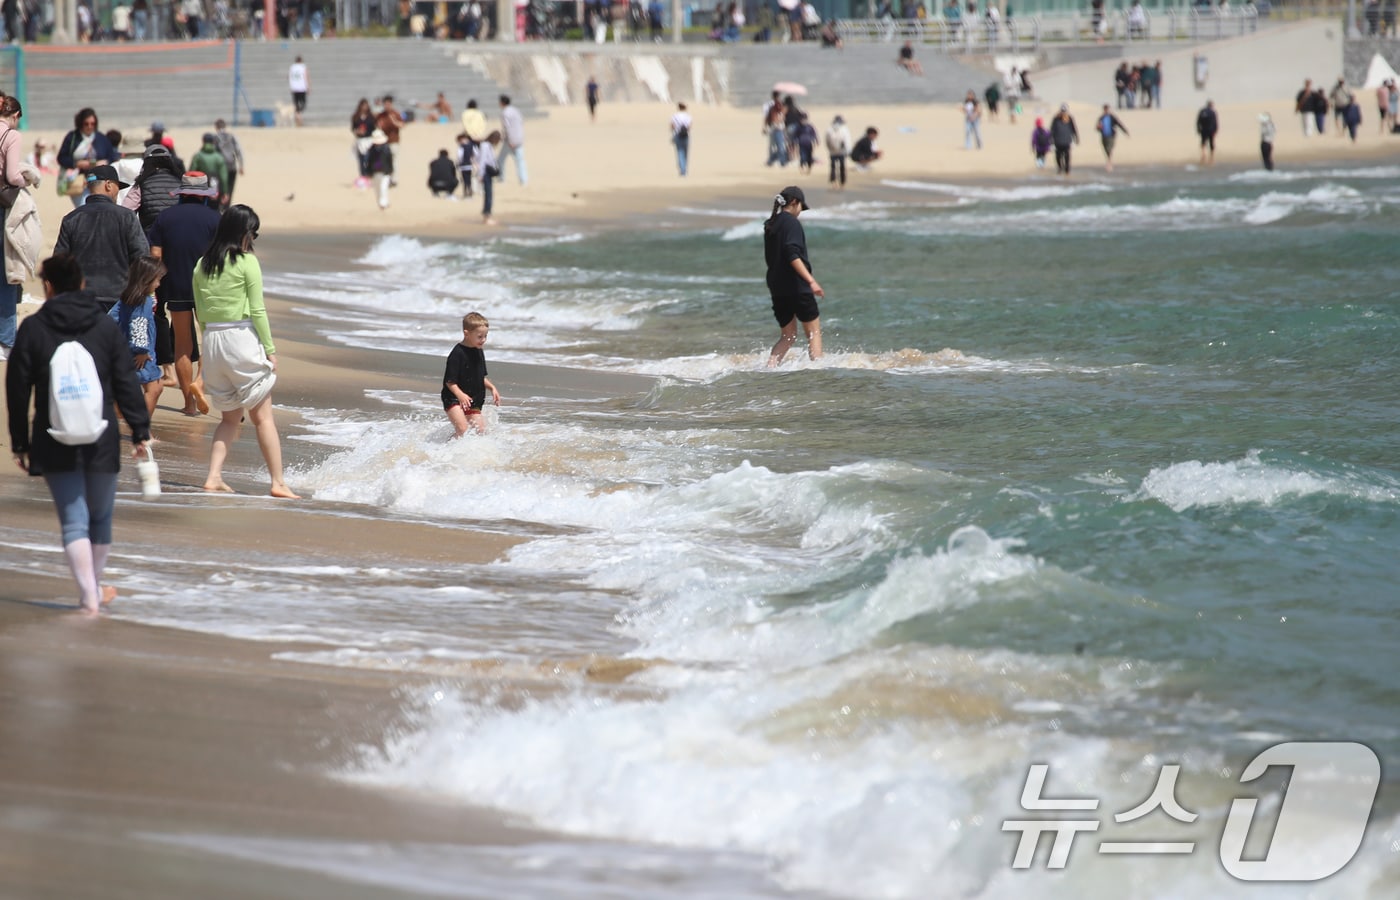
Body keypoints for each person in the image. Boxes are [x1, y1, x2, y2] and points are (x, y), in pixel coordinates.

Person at [6, 253, 153, 615]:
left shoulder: (34, 329)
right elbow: (124, 382)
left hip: (52, 436)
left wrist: (20, 443)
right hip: (100, 436)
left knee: (74, 521)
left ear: (49, 286)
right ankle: (94, 589)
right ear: (83, 284)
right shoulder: (103, 328)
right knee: (100, 518)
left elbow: (17, 389)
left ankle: (89, 595)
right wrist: (140, 431)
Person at [191, 205, 298, 498]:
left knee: (228, 418)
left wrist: (208, 347)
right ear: (243, 233)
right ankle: (278, 482)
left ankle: (213, 476)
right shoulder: (246, 262)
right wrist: (270, 349)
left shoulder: (202, 264)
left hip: (212, 339)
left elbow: (199, 312)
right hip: (240, 337)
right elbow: (258, 310)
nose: (253, 239)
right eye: (253, 233)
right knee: (263, 417)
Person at [149, 171, 221, 416]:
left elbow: (155, 256)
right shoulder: (215, 219)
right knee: (209, 339)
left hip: (176, 285)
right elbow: (221, 256)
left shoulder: (165, 218)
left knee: (182, 345)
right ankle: (199, 381)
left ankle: (189, 404)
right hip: (208, 287)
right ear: (204, 195)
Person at [53, 165, 148, 312]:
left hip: (81, 300)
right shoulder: (126, 216)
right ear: (108, 185)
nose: (118, 192)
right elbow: (141, 257)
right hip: (119, 299)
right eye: (118, 186)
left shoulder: (71, 219)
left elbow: (58, 263)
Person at [1, 94, 41, 364]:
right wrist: (29, 177)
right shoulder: (11, 136)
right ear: (15, 115)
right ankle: (6, 340)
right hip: (2, 207)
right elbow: (13, 175)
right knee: (7, 270)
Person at [764, 186, 822, 367]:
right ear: (794, 202)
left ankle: (769, 369)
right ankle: (818, 372)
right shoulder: (791, 223)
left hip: (777, 287)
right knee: (813, 333)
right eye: (801, 208)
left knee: (788, 336)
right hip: (797, 286)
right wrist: (811, 281)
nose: (800, 213)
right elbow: (792, 254)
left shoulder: (771, 224)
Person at [109, 255, 165, 416]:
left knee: (151, 387)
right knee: (153, 389)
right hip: (140, 355)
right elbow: (139, 324)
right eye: (157, 280)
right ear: (146, 280)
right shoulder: (143, 300)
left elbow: (111, 317)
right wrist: (141, 350)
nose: (159, 284)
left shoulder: (126, 297)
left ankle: (111, 419)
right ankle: (142, 431)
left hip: (125, 351)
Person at [441, 311, 501, 437]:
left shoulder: (479, 351)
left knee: (479, 431)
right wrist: (461, 395)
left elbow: (480, 377)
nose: (483, 340)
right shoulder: (457, 354)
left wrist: (492, 387)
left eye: (486, 336)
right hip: (454, 398)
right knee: (463, 429)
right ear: (466, 333)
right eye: (480, 336)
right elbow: (450, 382)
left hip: (473, 398)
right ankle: (444, 451)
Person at [57, 108, 118, 209]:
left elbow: (112, 156)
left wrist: (104, 162)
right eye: (86, 124)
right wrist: (76, 164)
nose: (90, 127)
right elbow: (61, 158)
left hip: (98, 182)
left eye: (92, 124)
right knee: (84, 208)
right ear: (80, 123)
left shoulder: (101, 138)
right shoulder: (72, 137)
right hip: (79, 182)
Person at [188, 133, 230, 202]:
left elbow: (191, 173)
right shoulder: (219, 157)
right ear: (213, 142)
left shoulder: (198, 156)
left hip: (200, 189)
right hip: (215, 189)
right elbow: (224, 177)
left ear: (203, 141)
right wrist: (225, 192)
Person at [212, 119, 244, 204]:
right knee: (230, 188)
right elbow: (238, 150)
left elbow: (213, 152)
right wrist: (241, 165)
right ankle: (227, 207)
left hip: (221, 167)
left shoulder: (215, 138)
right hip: (232, 166)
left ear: (216, 127)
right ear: (225, 126)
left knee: (221, 187)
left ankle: (221, 207)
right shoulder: (231, 136)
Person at [375, 96, 406, 185]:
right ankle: (387, 178)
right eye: (385, 104)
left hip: (394, 141)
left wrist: (394, 122)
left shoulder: (395, 114)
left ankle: (394, 179)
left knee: (393, 160)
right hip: (383, 142)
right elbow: (377, 127)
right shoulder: (381, 115)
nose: (387, 106)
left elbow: (402, 125)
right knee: (384, 161)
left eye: (388, 104)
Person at [473, 130, 502, 225]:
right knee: (488, 195)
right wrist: (480, 175)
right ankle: (486, 217)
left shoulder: (487, 145)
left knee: (489, 194)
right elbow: (482, 161)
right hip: (485, 172)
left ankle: (487, 216)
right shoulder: (485, 146)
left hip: (488, 172)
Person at [498, 94, 527, 186]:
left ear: (502, 103)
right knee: (520, 160)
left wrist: (510, 140)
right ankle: (523, 180)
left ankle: (501, 177)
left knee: (501, 159)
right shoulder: (516, 110)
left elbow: (507, 127)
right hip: (519, 138)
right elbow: (521, 122)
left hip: (510, 140)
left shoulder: (505, 113)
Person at [351, 98, 375, 188]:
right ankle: (362, 176)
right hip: (359, 140)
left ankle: (368, 175)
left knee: (368, 159)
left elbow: (373, 129)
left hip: (368, 140)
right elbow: (353, 128)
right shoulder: (356, 117)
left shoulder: (371, 117)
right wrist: (357, 131)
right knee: (361, 159)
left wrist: (366, 133)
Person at [1096, 103, 1128, 172]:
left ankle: (1109, 163)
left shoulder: (1112, 117)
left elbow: (1119, 124)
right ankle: (1109, 161)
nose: (1106, 111)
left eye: (1107, 109)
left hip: (1111, 135)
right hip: (1104, 135)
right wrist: (1099, 128)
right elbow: (1097, 128)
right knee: (1105, 149)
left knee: (1109, 149)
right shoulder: (1101, 118)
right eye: (1105, 109)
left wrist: (1125, 131)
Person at [366, 129, 393, 210]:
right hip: (375, 171)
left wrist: (390, 170)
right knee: (377, 188)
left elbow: (389, 161)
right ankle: (380, 202)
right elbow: (369, 162)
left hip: (384, 171)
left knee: (383, 187)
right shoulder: (371, 149)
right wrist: (368, 172)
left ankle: (383, 203)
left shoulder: (386, 148)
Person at [825, 114, 852, 189]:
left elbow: (827, 142)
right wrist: (848, 151)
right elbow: (847, 141)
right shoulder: (844, 129)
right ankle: (842, 182)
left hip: (832, 152)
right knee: (842, 167)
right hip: (841, 152)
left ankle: (833, 181)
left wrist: (830, 149)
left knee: (833, 167)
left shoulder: (829, 129)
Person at [1050, 104, 1078, 175]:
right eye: (1062, 111)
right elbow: (1052, 130)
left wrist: (1076, 138)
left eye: (1064, 111)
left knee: (1067, 156)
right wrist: (1051, 141)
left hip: (1067, 141)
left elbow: (1074, 129)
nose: (1063, 112)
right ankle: (1060, 168)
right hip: (1058, 141)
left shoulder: (1070, 118)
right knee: (1058, 156)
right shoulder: (1056, 119)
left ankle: (1067, 170)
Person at [670, 102, 692, 176]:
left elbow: (672, 126)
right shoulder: (688, 116)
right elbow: (689, 126)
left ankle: (682, 170)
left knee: (679, 152)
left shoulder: (675, 116)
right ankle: (684, 169)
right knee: (685, 153)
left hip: (677, 135)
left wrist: (673, 134)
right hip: (686, 135)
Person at [1196, 99, 1218, 166]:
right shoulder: (1212, 112)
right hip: (1211, 130)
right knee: (1211, 143)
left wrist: (1198, 129)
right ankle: (1211, 157)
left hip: (1204, 130)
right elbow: (1215, 122)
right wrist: (1215, 130)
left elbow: (1198, 121)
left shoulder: (1202, 111)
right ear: (1211, 105)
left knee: (1203, 142)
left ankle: (1203, 154)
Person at [288, 55, 309, 126]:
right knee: (303, 103)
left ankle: (297, 116)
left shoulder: (292, 67)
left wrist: (291, 86)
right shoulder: (303, 67)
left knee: (296, 103)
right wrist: (308, 87)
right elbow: (306, 77)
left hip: (294, 88)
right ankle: (298, 116)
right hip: (302, 88)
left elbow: (290, 77)